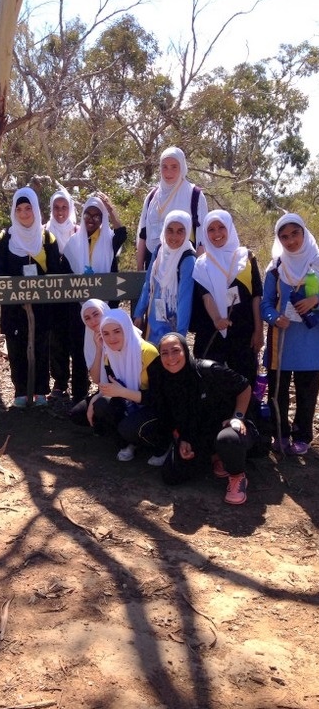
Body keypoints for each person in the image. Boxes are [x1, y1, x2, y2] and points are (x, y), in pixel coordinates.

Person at [148, 333, 256, 504]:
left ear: (185, 350)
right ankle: (216, 458)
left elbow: (244, 386)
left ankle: (237, 476)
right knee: (171, 475)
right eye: (165, 353)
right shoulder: (165, 380)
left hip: (229, 426)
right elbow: (174, 416)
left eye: (176, 351)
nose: (171, 358)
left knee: (227, 439)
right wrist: (182, 439)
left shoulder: (207, 369)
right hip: (199, 432)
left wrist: (238, 416)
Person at [0, 187, 62, 407]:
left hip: (42, 307)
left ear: (35, 210)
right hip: (14, 307)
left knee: (42, 346)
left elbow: (54, 273)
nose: (24, 214)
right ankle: (20, 392)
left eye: (28, 208)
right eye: (20, 209)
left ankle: (41, 391)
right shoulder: (6, 238)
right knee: (16, 346)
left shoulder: (47, 238)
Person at [260, 213, 319, 455]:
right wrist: (275, 318)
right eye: (284, 237)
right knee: (278, 392)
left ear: (304, 233)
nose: (291, 241)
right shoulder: (275, 269)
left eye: (295, 234)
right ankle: (280, 433)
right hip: (281, 342)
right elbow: (265, 304)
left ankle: (303, 436)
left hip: (310, 342)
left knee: (306, 393)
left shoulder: (317, 263)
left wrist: (316, 299)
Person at [62, 192, 127, 403]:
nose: (91, 219)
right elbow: (66, 274)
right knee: (79, 351)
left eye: (97, 215)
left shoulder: (109, 240)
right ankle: (79, 396)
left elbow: (122, 233)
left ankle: (109, 395)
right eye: (88, 215)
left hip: (105, 307)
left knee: (108, 348)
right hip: (80, 310)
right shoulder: (73, 242)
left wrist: (109, 209)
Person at [191, 209, 263, 387]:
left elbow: (256, 296)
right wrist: (217, 319)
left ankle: (243, 415)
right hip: (213, 333)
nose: (217, 234)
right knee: (213, 383)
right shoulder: (202, 263)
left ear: (229, 228)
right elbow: (205, 294)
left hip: (243, 331)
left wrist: (259, 331)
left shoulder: (247, 257)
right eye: (211, 229)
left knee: (245, 381)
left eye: (221, 227)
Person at [86, 308, 159, 462]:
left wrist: (123, 392)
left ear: (126, 329)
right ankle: (128, 443)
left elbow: (159, 397)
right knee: (101, 405)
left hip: (154, 408)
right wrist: (96, 398)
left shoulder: (148, 352)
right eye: (105, 333)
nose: (111, 338)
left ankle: (162, 447)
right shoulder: (110, 355)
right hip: (129, 404)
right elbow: (111, 386)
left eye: (117, 331)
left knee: (127, 427)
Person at [136, 146, 208, 270]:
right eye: (164, 167)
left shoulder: (194, 194)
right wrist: (139, 270)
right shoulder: (152, 197)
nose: (168, 172)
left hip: (183, 264)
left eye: (174, 166)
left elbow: (202, 237)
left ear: (182, 167)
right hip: (153, 264)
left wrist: (201, 274)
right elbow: (143, 235)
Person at [133, 210, 196, 344]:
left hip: (172, 322)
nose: (174, 236)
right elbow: (148, 283)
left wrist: (180, 335)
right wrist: (139, 312)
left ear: (187, 232)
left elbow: (185, 299)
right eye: (170, 230)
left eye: (180, 231)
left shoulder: (188, 259)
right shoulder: (160, 250)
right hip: (153, 318)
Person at [45, 187, 77, 400]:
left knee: (75, 336)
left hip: (75, 295)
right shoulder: (43, 231)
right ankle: (60, 381)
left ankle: (80, 381)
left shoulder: (78, 230)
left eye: (64, 207)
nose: (60, 212)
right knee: (55, 339)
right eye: (56, 207)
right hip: (52, 295)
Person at [69, 298, 110, 425]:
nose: (93, 321)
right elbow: (97, 379)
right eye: (87, 318)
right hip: (106, 389)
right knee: (76, 414)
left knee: (101, 407)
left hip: (129, 390)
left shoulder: (121, 332)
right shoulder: (90, 337)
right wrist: (99, 349)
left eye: (96, 314)